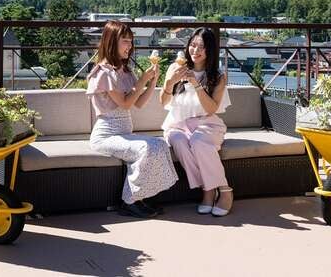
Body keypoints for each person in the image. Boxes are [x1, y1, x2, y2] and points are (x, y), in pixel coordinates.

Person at [88, 20, 178, 219]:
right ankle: (129, 201)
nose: (129, 46)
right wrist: (143, 80)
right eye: (125, 41)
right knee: (146, 148)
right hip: (106, 136)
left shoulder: (124, 71)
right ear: (111, 42)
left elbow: (138, 103)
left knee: (160, 145)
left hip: (123, 134)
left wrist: (152, 81)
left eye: (131, 41)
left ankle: (140, 197)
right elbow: (126, 103)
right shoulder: (104, 73)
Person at [160, 27, 233, 216]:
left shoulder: (218, 77)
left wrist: (196, 84)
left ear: (210, 51)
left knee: (199, 143)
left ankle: (222, 191)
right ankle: (209, 189)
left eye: (201, 47)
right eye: (192, 45)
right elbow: (163, 102)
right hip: (178, 124)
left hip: (207, 123)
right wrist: (170, 82)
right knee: (179, 142)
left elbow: (211, 109)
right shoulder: (176, 67)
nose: (195, 50)